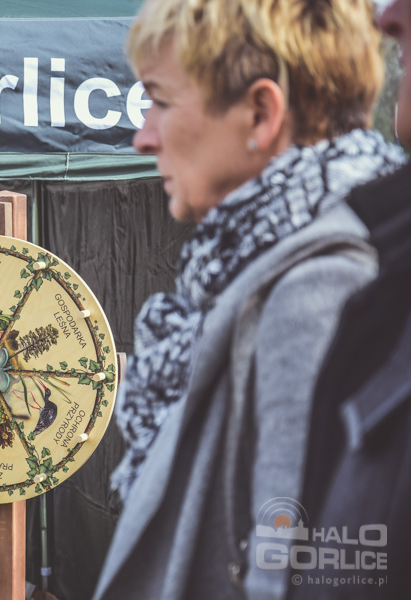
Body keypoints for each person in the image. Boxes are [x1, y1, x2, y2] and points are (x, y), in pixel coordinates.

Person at [92, 1, 405, 599]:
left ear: (261, 113)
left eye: (160, 102)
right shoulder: (266, 262)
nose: (143, 138)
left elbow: (290, 572)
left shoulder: (317, 289)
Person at [288, 2, 411, 598]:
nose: (387, 18)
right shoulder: (382, 257)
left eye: (165, 100)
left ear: (264, 110)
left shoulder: (324, 275)